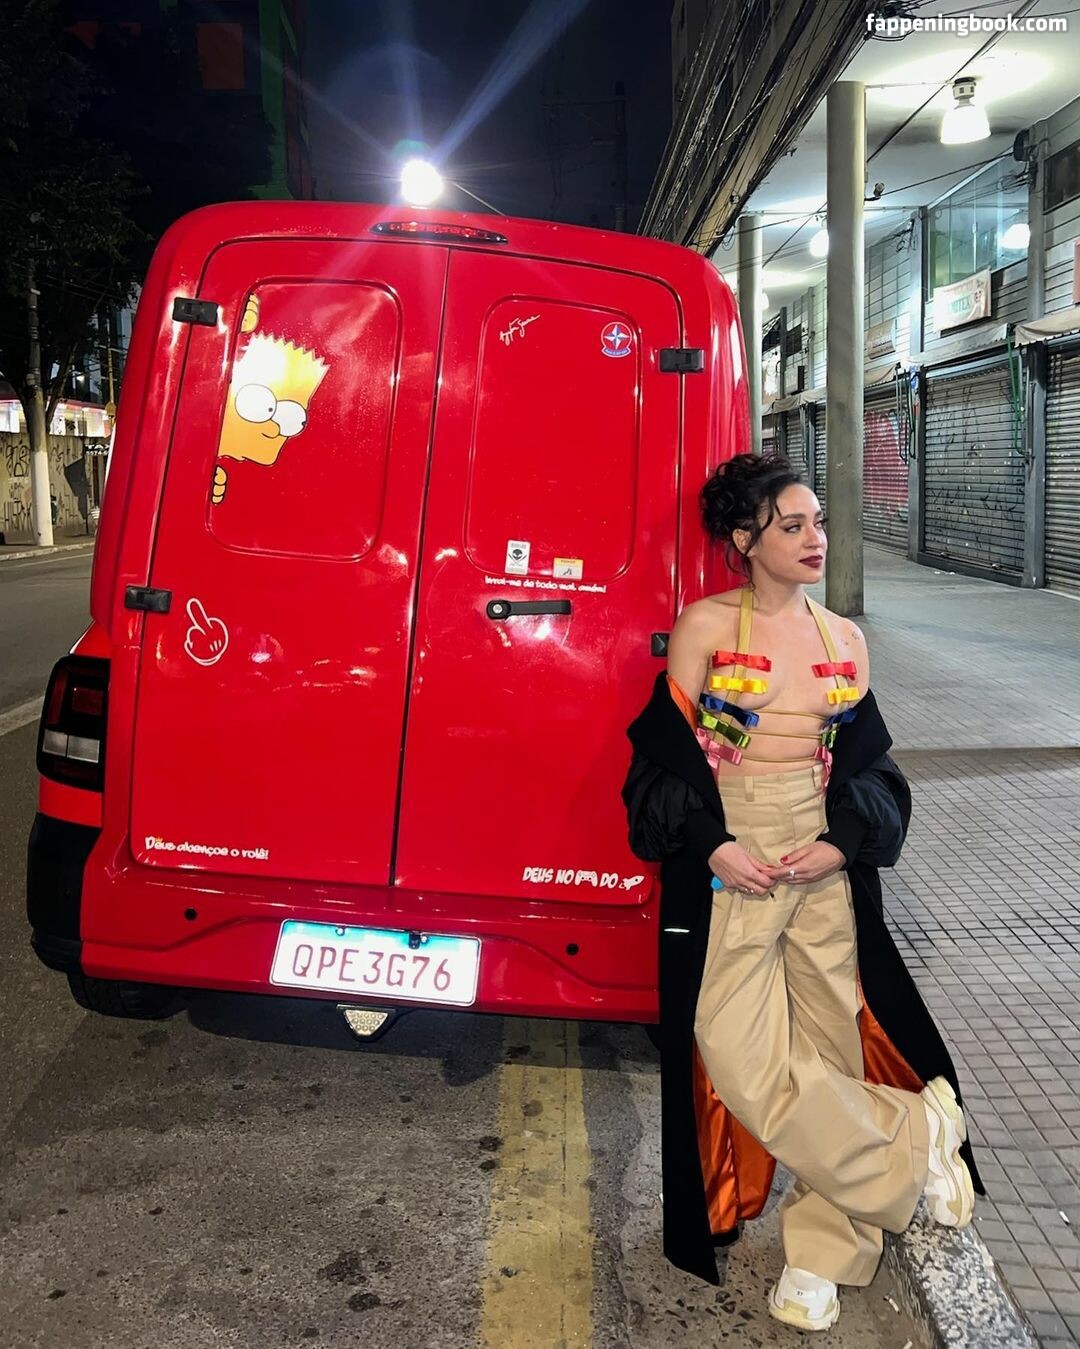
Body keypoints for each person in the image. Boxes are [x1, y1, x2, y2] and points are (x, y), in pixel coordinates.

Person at [622, 452, 981, 1332]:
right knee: (728, 1043)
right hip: (734, 855)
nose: (816, 538)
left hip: (819, 858)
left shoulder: (844, 640)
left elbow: (872, 770)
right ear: (745, 538)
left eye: (818, 522)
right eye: (793, 525)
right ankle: (913, 1137)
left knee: (830, 1045)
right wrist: (713, 846)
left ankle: (824, 1251)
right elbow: (664, 764)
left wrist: (840, 844)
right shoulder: (705, 627)